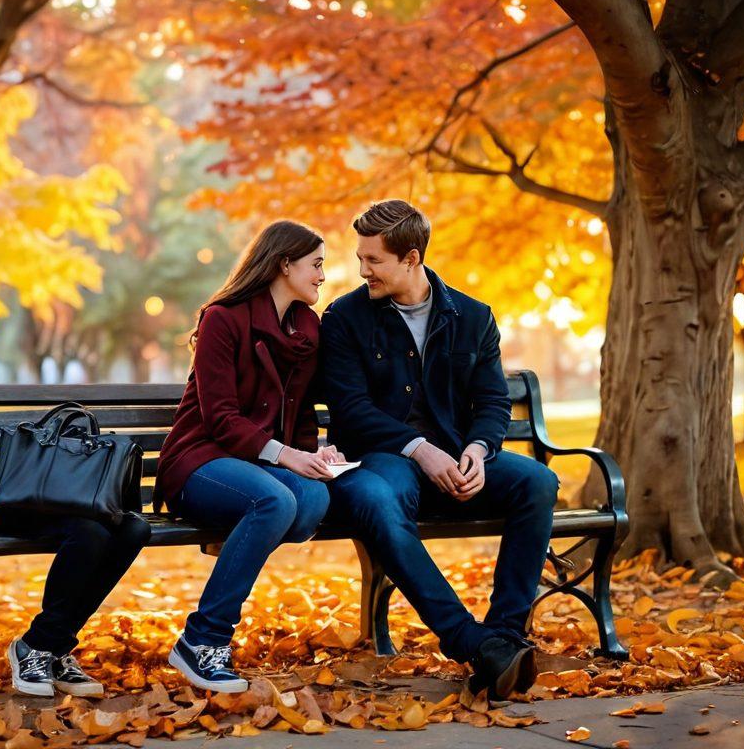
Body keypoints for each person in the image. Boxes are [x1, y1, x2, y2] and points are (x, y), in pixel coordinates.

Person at [319, 200, 560, 701]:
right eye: (360, 258)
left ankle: (505, 639)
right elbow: (350, 408)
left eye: (374, 260)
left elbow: (492, 401)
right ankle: (472, 642)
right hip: (382, 460)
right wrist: (419, 448)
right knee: (375, 498)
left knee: (538, 482)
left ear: (411, 259)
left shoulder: (473, 317)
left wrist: (478, 447)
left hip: (456, 459)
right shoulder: (344, 317)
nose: (362, 270)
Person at [156, 220, 341, 692]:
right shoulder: (223, 318)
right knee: (276, 503)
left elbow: (299, 413)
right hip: (200, 461)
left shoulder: (307, 328)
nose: (323, 275)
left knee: (313, 502)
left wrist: (314, 455)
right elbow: (219, 418)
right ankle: (203, 641)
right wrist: (287, 457)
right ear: (284, 263)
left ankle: (205, 633)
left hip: (260, 466)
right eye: (316, 264)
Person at [5, 514, 151, 697]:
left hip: (92, 507)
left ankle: (55, 649)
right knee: (90, 531)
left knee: (135, 529)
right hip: (33, 504)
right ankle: (37, 643)